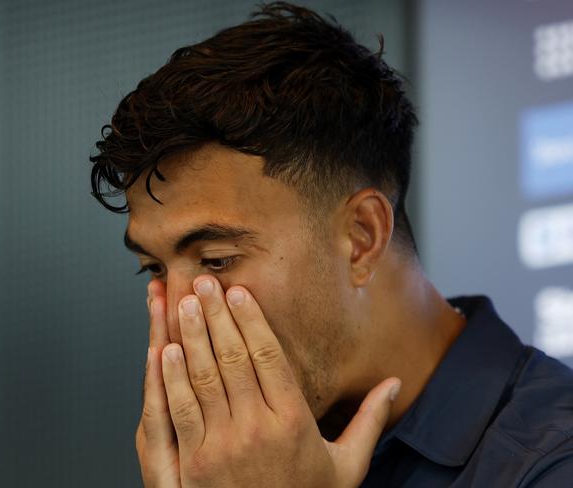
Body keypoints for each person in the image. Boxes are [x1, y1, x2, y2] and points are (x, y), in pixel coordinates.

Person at [89, 2, 573, 486]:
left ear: (362, 237)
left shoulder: (551, 458)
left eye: (217, 261)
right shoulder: (216, 463)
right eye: (152, 268)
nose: (177, 315)